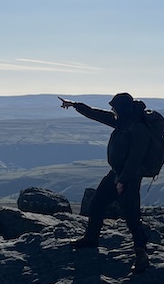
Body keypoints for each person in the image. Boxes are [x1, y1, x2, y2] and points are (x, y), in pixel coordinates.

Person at [60, 92, 150, 273]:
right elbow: (96, 114)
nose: (112, 110)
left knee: (132, 216)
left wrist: (122, 181)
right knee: (97, 203)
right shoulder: (122, 121)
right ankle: (91, 238)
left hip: (129, 178)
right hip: (115, 173)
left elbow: (135, 158)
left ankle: (142, 256)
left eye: (114, 107)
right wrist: (74, 105)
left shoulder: (138, 128)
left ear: (122, 108)